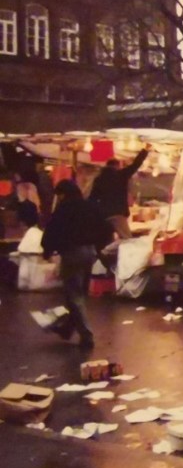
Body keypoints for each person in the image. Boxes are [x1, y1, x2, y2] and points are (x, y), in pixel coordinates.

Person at [41, 180, 112, 349]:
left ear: (63, 194)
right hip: (90, 253)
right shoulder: (90, 206)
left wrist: (48, 250)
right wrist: (99, 246)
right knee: (78, 293)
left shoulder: (64, 209)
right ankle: (67, 328)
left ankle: (87, 336)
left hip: (72, 253)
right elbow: (106, 228)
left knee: (74, 294)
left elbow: (52, 230)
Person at [88, 146, 150, 240]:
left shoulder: (99, 179)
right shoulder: (121, 175)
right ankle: (120, 254)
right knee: (127, 240)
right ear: (117, 166)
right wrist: (145, 151)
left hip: (103, 215)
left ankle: (106, 253)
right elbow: (135, 165)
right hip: (117, 213)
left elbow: (92, 198)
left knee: (108, 239)